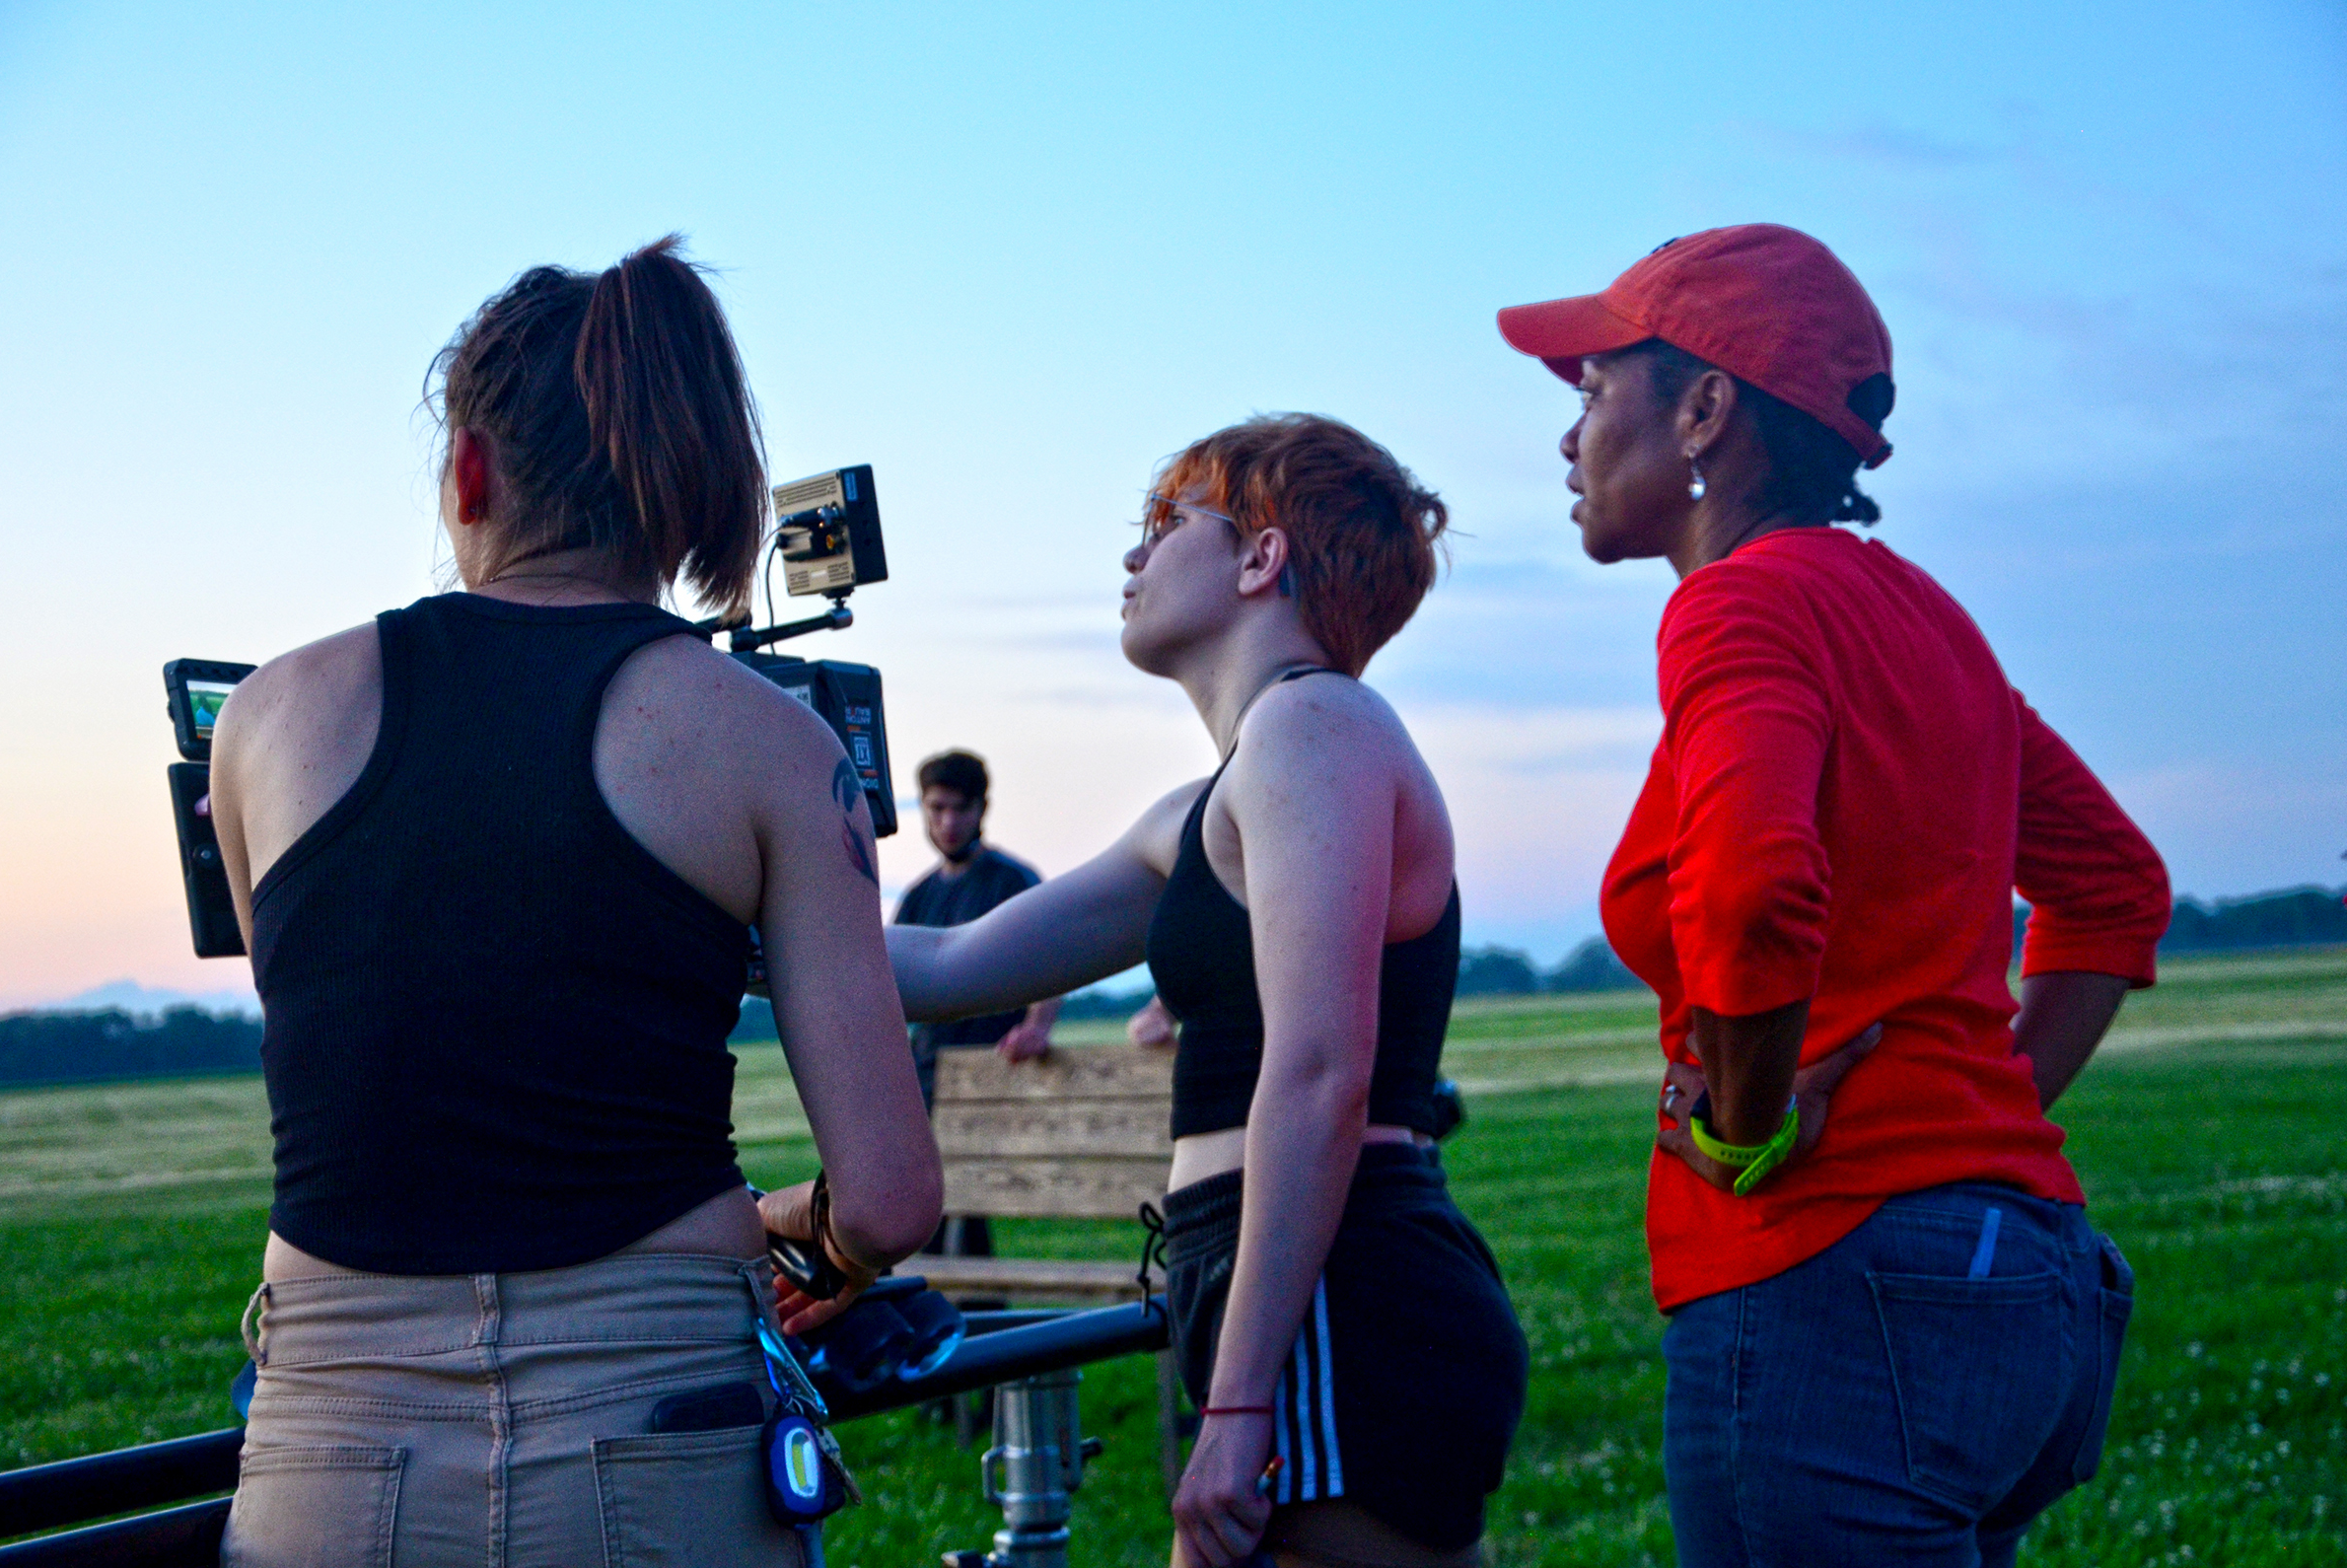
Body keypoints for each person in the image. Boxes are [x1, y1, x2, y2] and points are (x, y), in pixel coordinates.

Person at [206, 238, 942, 1567]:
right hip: (662, 1433)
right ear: (681, 490)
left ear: (470, 469)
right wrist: (806, 1230)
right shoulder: (772, 744)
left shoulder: (264, 722)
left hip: (331, 1443)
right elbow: (890, 1202)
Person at [1497, 224, 2170, 1567]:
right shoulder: (1922, 617)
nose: (1567, 439)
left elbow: (1749, 889)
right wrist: (1970, 1124)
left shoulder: (1736, 609)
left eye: (1591, 391)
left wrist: (1747, 1121)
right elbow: (2117, 889)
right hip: (2024, 1278)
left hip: (1831, 1293)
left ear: (1703, 407)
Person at [887, 414, 1528, 1568]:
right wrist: (735, 872)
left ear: (1260, 558)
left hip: (1340, 1288)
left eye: (1163, 523)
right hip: (1278, 1285)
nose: (1134, 559)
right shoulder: (1212, 806)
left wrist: (1235, 1407)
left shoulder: (1314, 724)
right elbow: (939, 969)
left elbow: (1322, 1071)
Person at [895, 748, 1059, 1263]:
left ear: (981, 809)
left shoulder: (1012, 881)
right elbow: (888, 981)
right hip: (927, 1073)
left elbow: (1054, 958)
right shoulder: (918, 896)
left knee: (961, 1212)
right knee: (924, 1214)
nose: (947, 822)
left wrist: (1037, 1027)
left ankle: (972, 1323)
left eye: (958, 809)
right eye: (936, 808)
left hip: (991, 1071)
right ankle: (954, 1320)